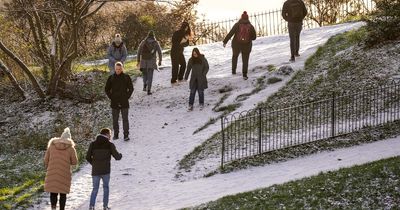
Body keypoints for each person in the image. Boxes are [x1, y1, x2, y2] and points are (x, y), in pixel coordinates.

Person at [86, 128, 122, 210]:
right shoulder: (110, 145)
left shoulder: (92, 144)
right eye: (109, 134)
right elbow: (117, 157)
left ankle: (91, 206)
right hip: (106, 171)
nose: (110, 136)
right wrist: (120, 155)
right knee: (106, 188)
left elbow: (87, 157)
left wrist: (94, 164)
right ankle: (105, 206)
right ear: (106, 134)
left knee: (95, 189)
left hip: (95, 171)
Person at [44, 127, 78, 210]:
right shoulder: (71, 148)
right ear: (69, 139)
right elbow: (74, 162)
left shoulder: (52, 146)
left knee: (53, 191)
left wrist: (49, 166)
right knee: (63, 193)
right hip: (64, 173)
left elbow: (45, 160)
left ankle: (53, 208)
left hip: (52, 172)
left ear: (61, 137)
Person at [223, 11, 256, 80]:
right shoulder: (251, 26)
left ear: (241, 17)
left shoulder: (237, 25)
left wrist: (225, 41)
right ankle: (244, 74)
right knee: (245, 60)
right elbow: (254, 37)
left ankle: (233, 71)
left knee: (235, 56)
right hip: (247, 45)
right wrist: (248, 37)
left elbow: (231, 33)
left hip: (236, 44)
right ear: (248, 18)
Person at [105, 62, 134, 141]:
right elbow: (106, 89)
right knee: (115, 119)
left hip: (124, 102)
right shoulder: (111, 78)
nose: (118, 70)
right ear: (115, 69)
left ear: (122, 69)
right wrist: (111, 97)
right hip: (114, 102)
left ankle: (126, 135)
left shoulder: (126, 77)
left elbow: (131, 88)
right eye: (117, 69)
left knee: (125, 119)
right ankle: (116, 134)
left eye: (119, 69)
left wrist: (126, 97)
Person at [137, 30, 162, 95]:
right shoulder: (156, 43)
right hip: (152, 61)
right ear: (153, 36)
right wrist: (160, 61)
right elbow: (159, 52)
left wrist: (138, 60)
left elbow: (139, 52)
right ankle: (149, 90)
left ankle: (145, 83)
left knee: (145, 74)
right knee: (150, 75)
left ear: (148, 35)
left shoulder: (143, 42)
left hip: (143, 60)